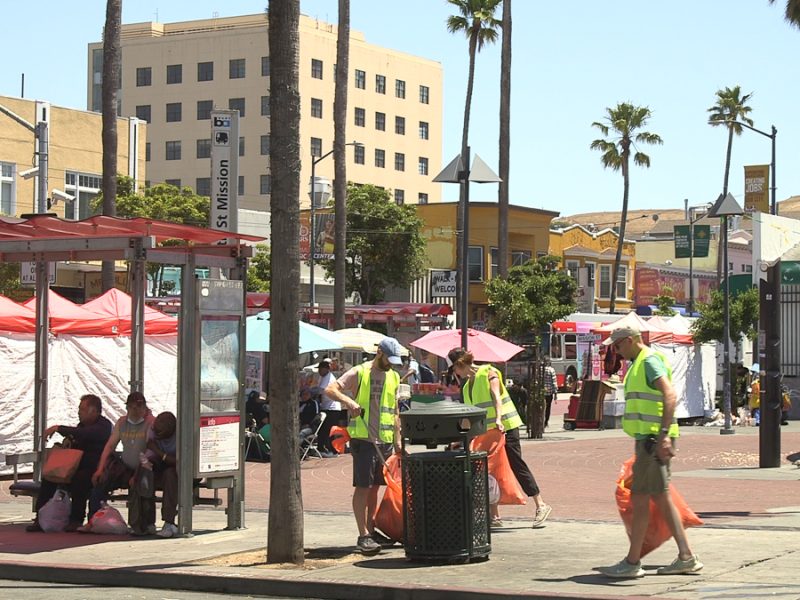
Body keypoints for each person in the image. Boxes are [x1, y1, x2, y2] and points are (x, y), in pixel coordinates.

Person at [597, 326, 703, 578]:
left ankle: (634, 563)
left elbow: (670, 394)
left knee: (643, 498)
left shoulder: (648, 361)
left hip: (653, 439)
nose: (617, 351)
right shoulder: (639, 363)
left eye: (619, 345)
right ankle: (684, 556)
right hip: (650, 439)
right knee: (656, 497)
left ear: (633, 340)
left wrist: (664, 435)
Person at [448, 347, 552, 529]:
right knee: (488, 470)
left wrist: (498, 418)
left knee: (516, 464)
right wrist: (461, 437)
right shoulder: (465, 387)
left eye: (454, 369)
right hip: (486, 432)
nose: (455, 374)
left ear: (460, 364)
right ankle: (494, 516)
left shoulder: (489, 372)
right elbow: (470, 416)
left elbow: (496, 396)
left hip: (506, 426)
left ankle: (541, 505)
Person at [325, 336, 403, 555]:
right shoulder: (360, 372)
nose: (391, 364)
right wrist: (349, 402)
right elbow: (331, 389)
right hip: (364, 439)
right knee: (363, 487)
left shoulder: (394, 376)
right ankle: (363, 535)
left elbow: (395, 410)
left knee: (375, 487)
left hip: (385, 440)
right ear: (379, 352)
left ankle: (371, 529)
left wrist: (397, 439)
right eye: (389, 359)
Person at [26, 394, 113, 533]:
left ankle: (76, 519)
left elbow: (86, 434)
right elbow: (77, 435)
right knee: (50, 477)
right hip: (74, 466)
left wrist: (58, 428)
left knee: (81, 479)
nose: (79, 412)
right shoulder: (81, 425)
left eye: (82, 409)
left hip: (94, 468)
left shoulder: (104, 426)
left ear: (94, 411)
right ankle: (40, 517)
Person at [85, 391, 155, 534]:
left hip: (144, 466)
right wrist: (100, 469)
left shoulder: (150, 423)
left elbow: (149, 451)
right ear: (127, 408)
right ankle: (93, 519)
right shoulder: (122, 422)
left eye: (139, 407)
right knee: (101, 480)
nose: (136, 411)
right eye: (132, 407)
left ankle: (142, 523)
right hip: (125, 465)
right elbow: (110, 446)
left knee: (140, 483)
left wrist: (136, 474)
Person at [142, 411, 179, 538]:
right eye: (155, 431)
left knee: (170, 475)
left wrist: (158, 451)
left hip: (180, 469)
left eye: (160, 434)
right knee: (145, 473)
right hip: (160, 463)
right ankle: (147, 521)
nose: (156, 436)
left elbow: (179, 462)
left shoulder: (180, 435)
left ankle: (169, 522)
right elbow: (149, 454)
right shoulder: (153, 429)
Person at [315, 358, 344, 457]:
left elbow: (322, 390)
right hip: (326, 407)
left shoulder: (328, 377)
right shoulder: (323, 377)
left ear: (327, 369)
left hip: (332, 408)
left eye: (321, 369)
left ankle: (333, 450)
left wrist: (312, 392)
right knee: (323, 429)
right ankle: (323, 448)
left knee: (329, 430)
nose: (319, 371)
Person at [542, 356, 558, 428]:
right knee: (548, 407)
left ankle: (541, 420)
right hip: (549, 392)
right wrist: (555, 393)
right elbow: (554, 382)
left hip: (542, 391)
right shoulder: (551, 370)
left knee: (542, 407)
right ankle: (546, 422)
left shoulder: (540, 369)